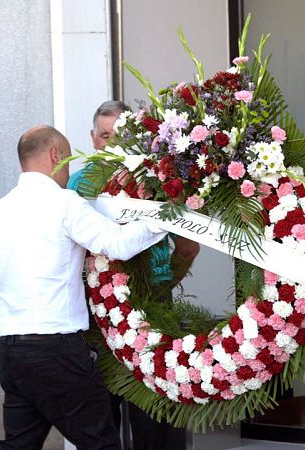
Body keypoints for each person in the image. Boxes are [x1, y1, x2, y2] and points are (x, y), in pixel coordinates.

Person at [0, 125, 168, 450]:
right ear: (55, 155)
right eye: (68, 160)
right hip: (56, 351)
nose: (68, 171)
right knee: (101, 445)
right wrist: (165, 218)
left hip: (12, 352)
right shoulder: (64, 202)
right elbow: (117, 244)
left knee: (18, 446)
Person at [70, 102, 199, 449]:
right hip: (96, 313)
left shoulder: (159, 182)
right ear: (92, 138)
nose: (112, 145)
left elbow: (188, 248)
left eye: (121, 137)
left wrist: (160, 285)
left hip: (152, 307)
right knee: (101, 420)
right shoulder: (77, 184)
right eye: (105, 136)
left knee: (155, 415)